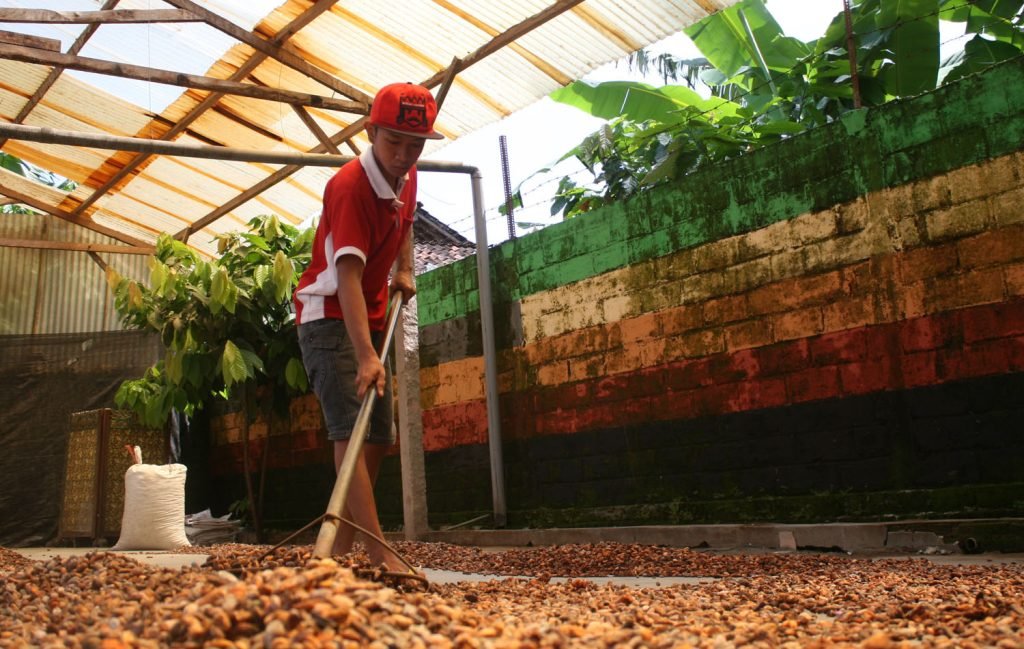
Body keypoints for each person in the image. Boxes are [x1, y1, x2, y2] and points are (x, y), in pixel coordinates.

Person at [293, 82, 443, 571]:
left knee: (377, 435)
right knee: (348, 430)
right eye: (393, 142)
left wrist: (404, 268)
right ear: (370, 131)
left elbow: (406, 222)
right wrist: (365, 355)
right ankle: (379, 550)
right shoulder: (349, 187)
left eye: (414, 144)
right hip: (330, 317)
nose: (403, 155)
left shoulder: (408, 174)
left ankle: (338, 546)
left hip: (370, 317)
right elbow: (349, 277)